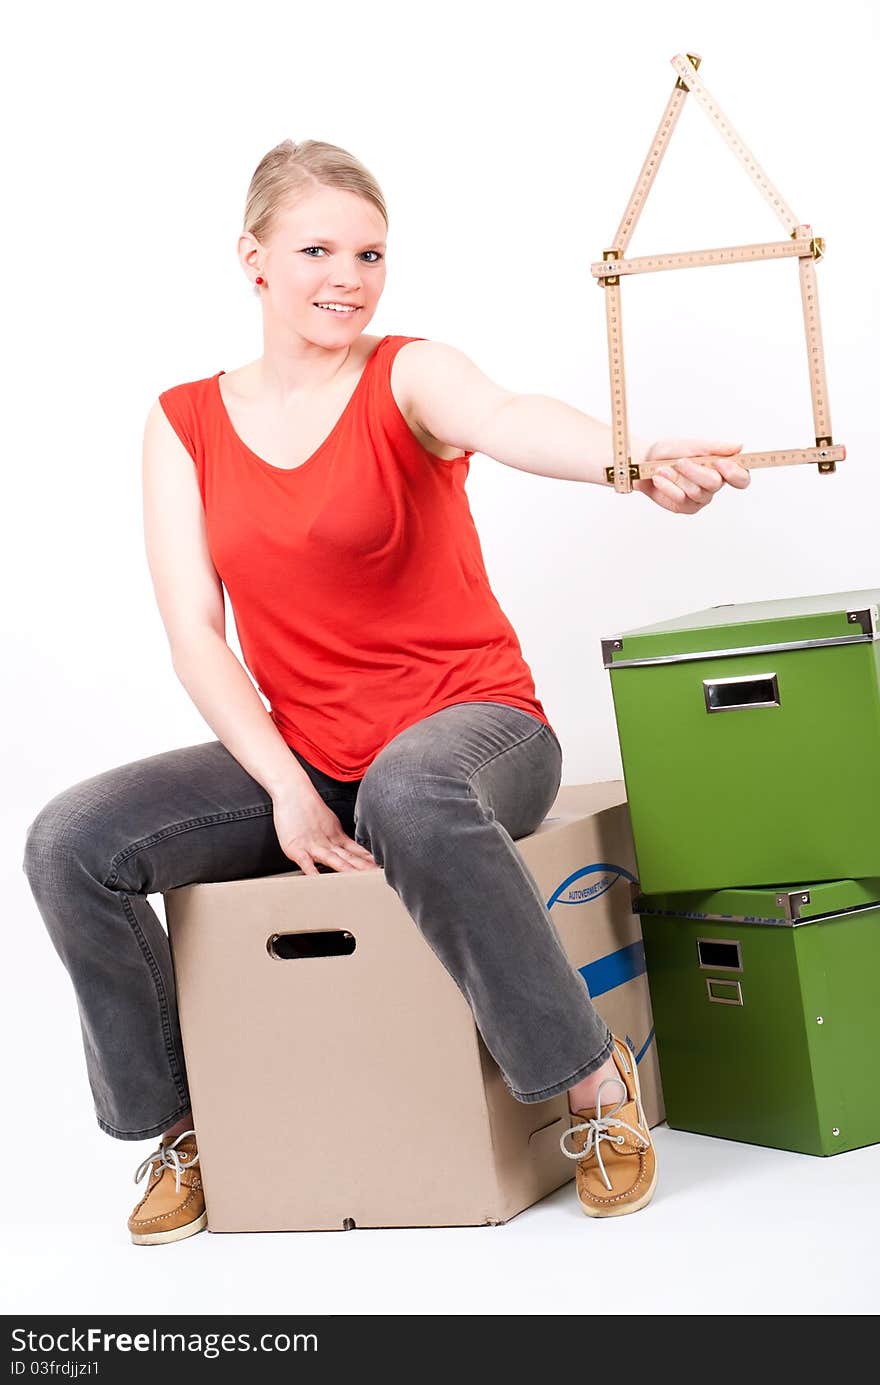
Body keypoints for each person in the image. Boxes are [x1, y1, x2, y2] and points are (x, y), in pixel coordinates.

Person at [21, 138, 750, 1246]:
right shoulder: (184, 421)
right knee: (72, 839)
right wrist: (285, 788)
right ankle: (186, 1125)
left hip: (475, 725)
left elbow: (508, 417)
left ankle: (588, 1080)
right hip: (309, 750)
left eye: (369, 252)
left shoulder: (407, 371)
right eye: (316, 248)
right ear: (253, 257)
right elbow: (194, 635)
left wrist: (631, 457)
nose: (347, 277)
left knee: (409, 794)